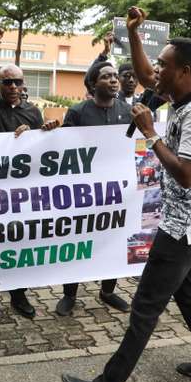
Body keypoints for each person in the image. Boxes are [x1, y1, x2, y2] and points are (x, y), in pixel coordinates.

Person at [62, 6, 191, 382]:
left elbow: (187, 175)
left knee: (144, 308)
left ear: (184, 71)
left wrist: (151, 134)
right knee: (188, 297)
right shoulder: (183, 94)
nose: (157, 71)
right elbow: (144, 74)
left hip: (184, 226)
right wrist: (134, 34)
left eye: (164, 65)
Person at [0, 25, 59, 325]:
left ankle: (18, 295)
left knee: (18, 246)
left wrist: (43, 132)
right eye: (6, 82)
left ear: (23, 84)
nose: (12, 86)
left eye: (17, 81)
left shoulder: (32, 112)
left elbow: (39, 150)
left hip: (21, 193)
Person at [54, 63, 133, 316]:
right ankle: (69, 294)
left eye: (115, 76)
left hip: (117, 192)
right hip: (84, 193)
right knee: (78, 242)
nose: (114, 80)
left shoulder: (128, 112)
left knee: (114, 241)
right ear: (92, 84)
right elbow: (65, 149)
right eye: (106, 76)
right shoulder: (77, 112)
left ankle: (108, 291)